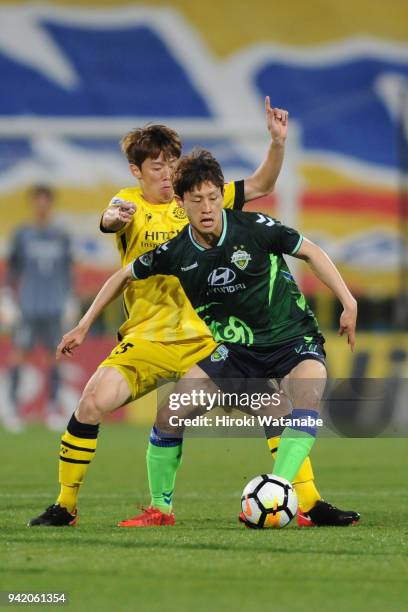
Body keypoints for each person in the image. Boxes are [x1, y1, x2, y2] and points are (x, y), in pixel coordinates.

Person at [36, 150, 359, 530]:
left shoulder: (255, 227)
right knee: (169, 414)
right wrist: (84, 324)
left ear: (221, 195)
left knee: (304, 397)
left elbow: (310, 251)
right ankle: (160, 510)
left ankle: (284, 491)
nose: (206, 208)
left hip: (293, 340)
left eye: (212, 198)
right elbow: (123, 275)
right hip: (236, 353)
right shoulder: (177, 251)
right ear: (181, 202)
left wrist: (348, 300)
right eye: (196, 200)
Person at [1, 185, 74, 432]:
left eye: (46, 201)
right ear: (33, 204)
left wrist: (69, 299)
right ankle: (12, 408)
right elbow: (13, 268)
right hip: (28, 306)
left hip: (54, 306)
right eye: (38, 201)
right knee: (20, 354)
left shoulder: (61, 235)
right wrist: (8, 295)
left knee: (56, 357)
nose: (42, 205)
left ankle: (53, 408)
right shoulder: (22, 234)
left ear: (50, 204)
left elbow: (67, 270)